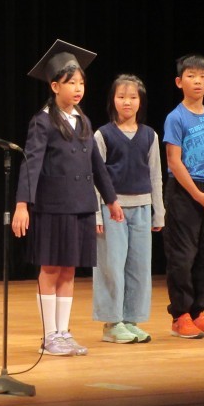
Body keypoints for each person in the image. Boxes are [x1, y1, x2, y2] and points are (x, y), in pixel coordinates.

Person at [12, 40, 124, 356]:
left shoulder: (84, 121)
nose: (77, 88)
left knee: (70, 269)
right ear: (54, 86)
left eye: (81, 83)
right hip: (53, 207)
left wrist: (111, 200)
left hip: (81, 206)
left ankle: (63, 332)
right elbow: (31, 163)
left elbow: (96, 165)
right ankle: (49, 336)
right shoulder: (43, 121)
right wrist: (22, 204)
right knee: (50, 268)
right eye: (71, 82)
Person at [92, 74, 165, 344]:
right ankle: (112, 323)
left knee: (139, 267)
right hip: (113, 209)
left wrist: (159, 211)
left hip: (142, 208)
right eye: (121, 96)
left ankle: (131, 320)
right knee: (111, 266)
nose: (127, 102)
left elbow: (156, 175)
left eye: (133, 97)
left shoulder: (149, 135)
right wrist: (97, 213)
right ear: (113, 100)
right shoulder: (103, 134)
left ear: (140, 101)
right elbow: (95, 177)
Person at [162, 54, 204, 339]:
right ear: (179, 82)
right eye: (191, 76)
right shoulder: (176, 117)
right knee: (183, 255)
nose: (197, 81)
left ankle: (199, 312)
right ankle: (181, 315)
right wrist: (199, 195)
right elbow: (174, 161)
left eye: (202, 77)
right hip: (184, 191)